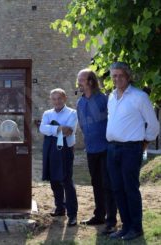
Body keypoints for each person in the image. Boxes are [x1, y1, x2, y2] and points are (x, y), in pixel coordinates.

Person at [106, 62, 160, 240]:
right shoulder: (111, 97)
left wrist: (143, 142)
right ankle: (125, 226)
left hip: (130, 149)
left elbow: (153, 125)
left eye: (120, 75)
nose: (117, 78)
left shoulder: (139, 97)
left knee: (130, 189)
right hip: (112, 148)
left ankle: (136, 228)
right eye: (114, 75)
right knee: (117, 189)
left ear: (128, 76)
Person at [76, 69, 117, 234]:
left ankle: (111, 220)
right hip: (91, 148)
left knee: (108, 184)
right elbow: (82, 124)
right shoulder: (79, 103)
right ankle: (99, 215)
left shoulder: (104, 100)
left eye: (81, 80)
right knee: (96, 183)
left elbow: (111, 120)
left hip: (106, 148)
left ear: (91, 82)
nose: (78, 82)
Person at [40, 88, 78, 226]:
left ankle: (72, 214)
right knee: (54, 179)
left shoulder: (72, 113)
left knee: (66, 180)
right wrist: (58, 129)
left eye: (59, 98)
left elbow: (69, 131)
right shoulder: (47, 113)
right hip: (50, 148)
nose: (57, 101)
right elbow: (41, 129)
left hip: (65, 149)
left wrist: (51, 129)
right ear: (51, 100)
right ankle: (60, 208)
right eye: (54, 99)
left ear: (65, 98)